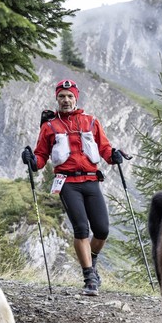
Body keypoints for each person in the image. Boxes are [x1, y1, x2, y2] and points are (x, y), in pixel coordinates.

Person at [21, 78, 125, 296]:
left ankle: (92, 260)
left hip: (91, 180)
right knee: (81, 229)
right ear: (56, 99)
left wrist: (114, 156)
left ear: (76, 98)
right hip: (67, 183)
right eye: (61, 96)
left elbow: (104, 148)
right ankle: (89, 278)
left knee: (102, 230)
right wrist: (31, 160)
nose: (66, 100)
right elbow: (41, 156)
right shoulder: (50, 126)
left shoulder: (91, 121)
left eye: (69, 96)